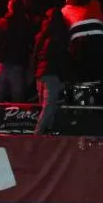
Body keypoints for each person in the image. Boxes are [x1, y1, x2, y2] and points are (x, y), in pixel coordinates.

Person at [33, 7, 69, 135]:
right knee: (49, 104)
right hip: (52, 73)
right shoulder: (61, 35)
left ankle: (46, 131)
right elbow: (62, 57)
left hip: (40, 73)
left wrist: (34, 72)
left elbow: (34, 55)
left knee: (44, 105)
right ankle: (39, 133)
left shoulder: (41, 34)